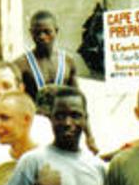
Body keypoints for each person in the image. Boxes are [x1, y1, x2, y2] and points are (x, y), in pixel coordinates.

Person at [19, 11, 97, 152]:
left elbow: (79, 102)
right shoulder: (22, 64)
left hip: (64, 128)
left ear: (56, 31)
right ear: (31, 33)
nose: (42, 37)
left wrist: (90, 137)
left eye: (47, 32)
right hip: (36, 130)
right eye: (37, 33)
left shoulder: (67, 62)